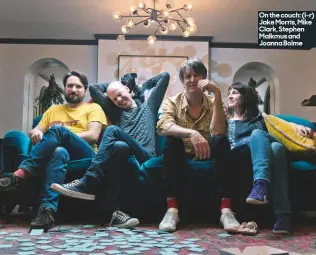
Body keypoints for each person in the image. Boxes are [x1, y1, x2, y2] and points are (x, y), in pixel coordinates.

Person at [51, 72, 170, 228]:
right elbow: (94, 88)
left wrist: (138, 86)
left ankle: (89, 181)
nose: (119, 100)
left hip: (145, 156)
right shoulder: (116, 112)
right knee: (118, 146)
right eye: (115, 99)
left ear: (128, 90)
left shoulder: (150, 106)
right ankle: (112, 212)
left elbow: (165, 77)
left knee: (113, 130)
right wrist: (117, 86)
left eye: (120, 94)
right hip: (127, 155)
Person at [0, 71, 107, 231]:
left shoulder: (93, 108)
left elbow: (93, 135)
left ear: (85, 90)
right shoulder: (53, 110)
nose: (74, 89)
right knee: (59, 151)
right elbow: (36, 130)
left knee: (58, 130)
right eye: (70, 86)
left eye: (78, 86)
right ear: (64, 89)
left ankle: (20, 175)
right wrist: (35, 133)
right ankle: (47, 211)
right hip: (57, 154)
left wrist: (63, 134)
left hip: (84, 154)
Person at [156, 58, 240, 233]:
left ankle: (226, 210)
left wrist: (217, 94)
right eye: (188, 76)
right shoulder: (172, 101)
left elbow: (218, 132)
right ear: (182, 81)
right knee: (172, 140)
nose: (192, 80)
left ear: (205, 78)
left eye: (197, 75)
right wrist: (192, 133)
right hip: (181, 153)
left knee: (221, 141)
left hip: (210, 151)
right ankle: (172, 210)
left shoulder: (213, 101)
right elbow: (163, 126)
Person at [227, 81, 292, 233]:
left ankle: (261, 185)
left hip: (266, 152)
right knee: (276, 149)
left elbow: (284, 129)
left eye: (234, 92)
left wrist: (298, 127)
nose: (230, 96)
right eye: (229, 93)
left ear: (245, 97)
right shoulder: (227, 122)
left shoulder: (261, 119)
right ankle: (283, 215)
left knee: (264, 138)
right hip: (250, 157)